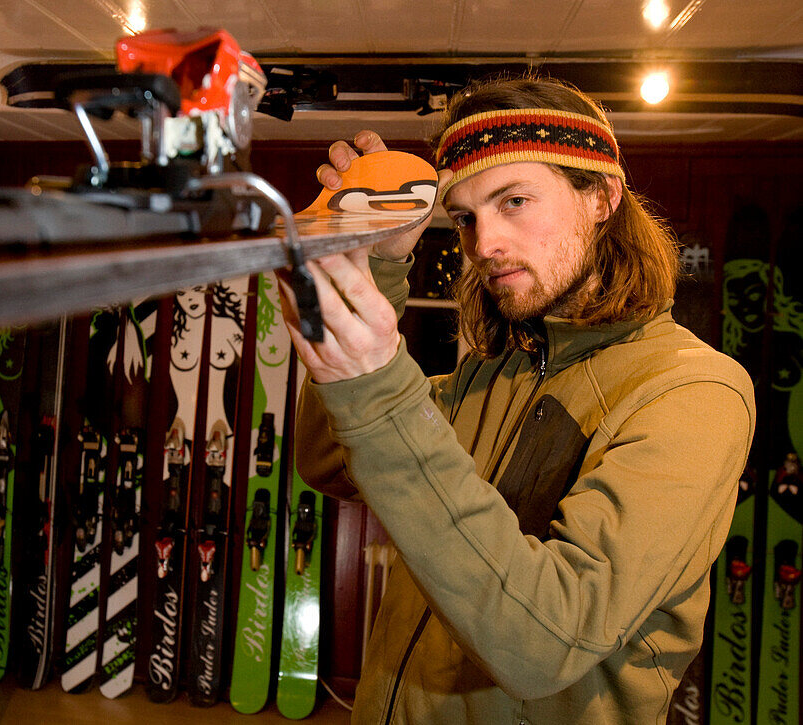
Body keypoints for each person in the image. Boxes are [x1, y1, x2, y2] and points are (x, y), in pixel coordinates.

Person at [276, 75, 757, 724]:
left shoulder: (693, 391)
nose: (483, 243)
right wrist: (379, 265)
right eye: (467, 216)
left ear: (603, 197)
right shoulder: (495, 370)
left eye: (515, 201)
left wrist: (379, 381)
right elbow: (330, 459)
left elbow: (548, 640)